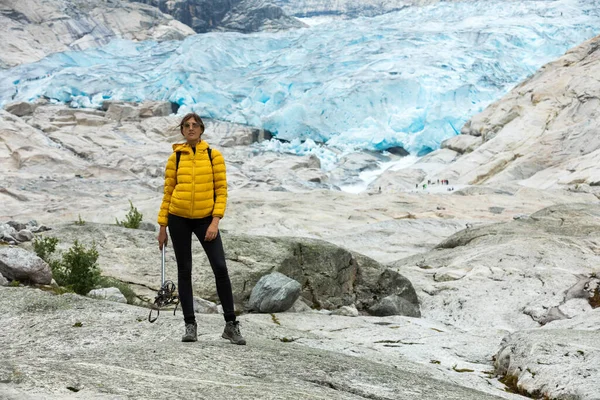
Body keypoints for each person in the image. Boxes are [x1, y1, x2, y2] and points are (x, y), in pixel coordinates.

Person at [156, 112, 246, 345]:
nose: (191, 128)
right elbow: (168, 193)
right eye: (187, 125)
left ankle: (230, 325)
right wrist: (162, 226)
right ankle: (190, 325)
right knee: (185, 272)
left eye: (195, 125)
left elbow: (221, 190)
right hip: (178, 219)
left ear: (202, 129)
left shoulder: (212, 155)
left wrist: (215, 221)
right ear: (183, 131)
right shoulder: (175, 158)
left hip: (206, 219)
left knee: (220, 268)